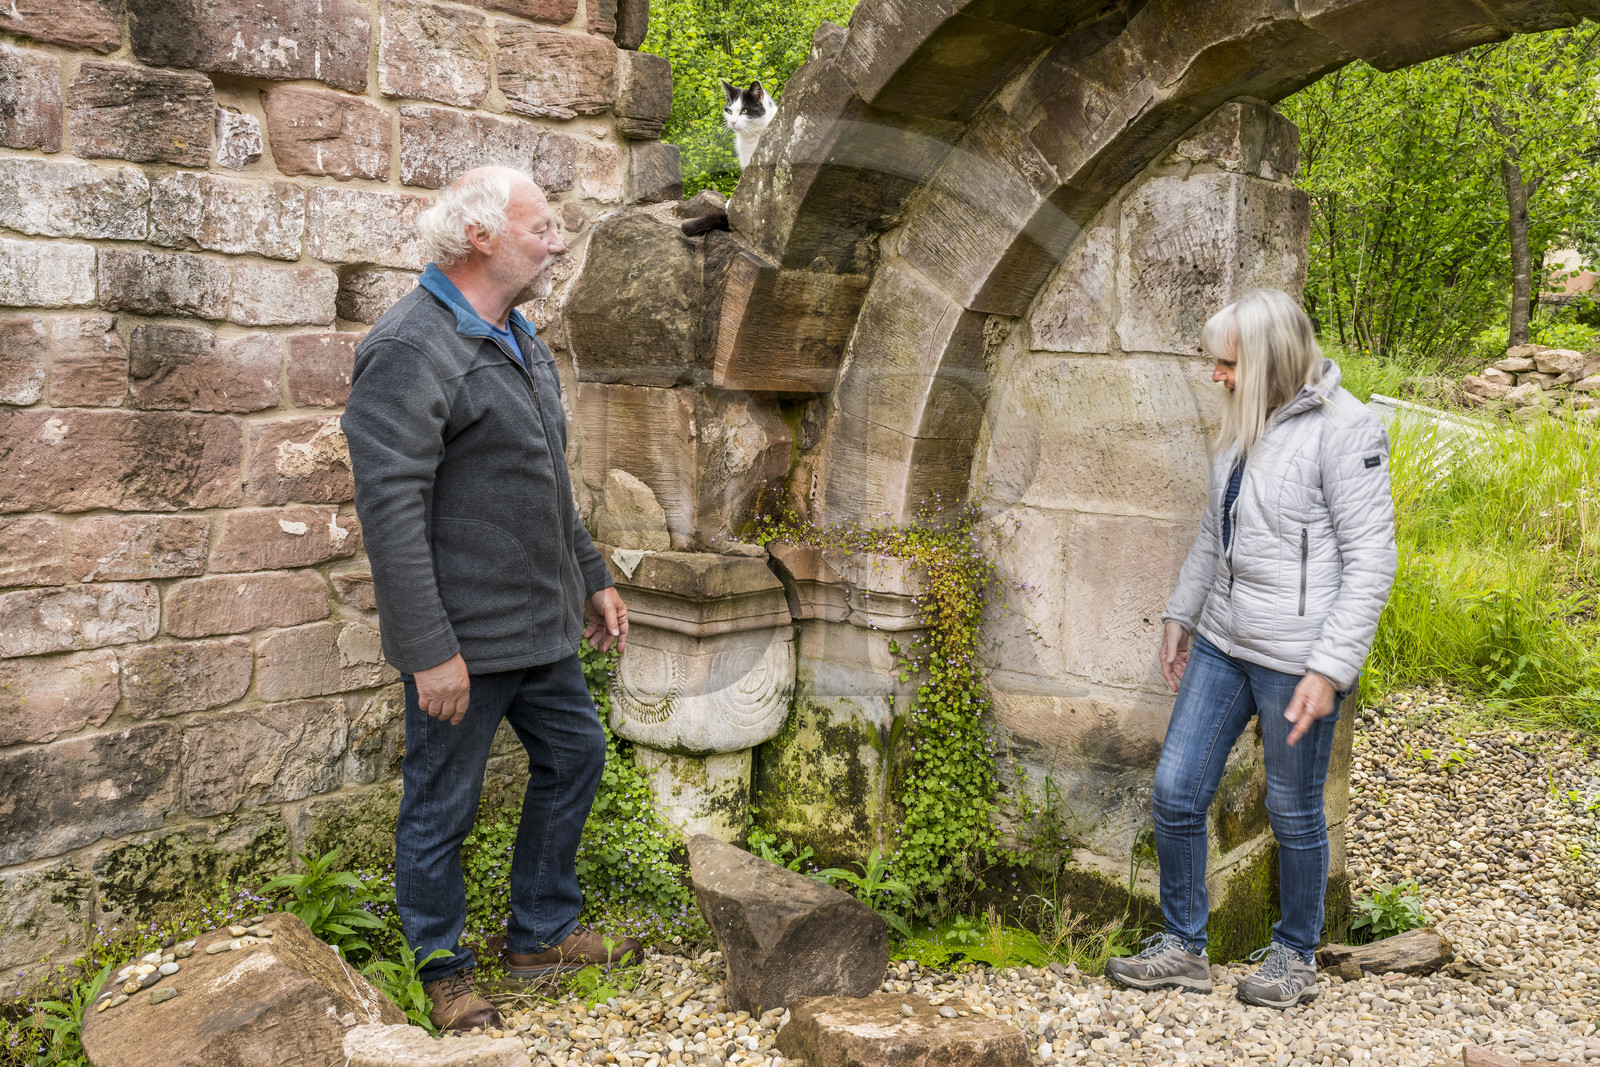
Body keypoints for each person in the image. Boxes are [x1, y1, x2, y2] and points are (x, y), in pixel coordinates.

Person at [342, 166, 636, 1032]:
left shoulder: (516, 333)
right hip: (463, 643)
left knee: (577, 757)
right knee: (442, 807)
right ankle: (441, 966)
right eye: (540, 226)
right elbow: (390, 511)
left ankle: (540, 933)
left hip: (541, 629)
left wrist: (590, 572)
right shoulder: (409, 348)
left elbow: (545, 477)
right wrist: (428, 649)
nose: (556, 240)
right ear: (481, 238)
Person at [1105, 288, 1397, 1009]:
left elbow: (1372, 561)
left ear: (1267, 360)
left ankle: (1295, 955)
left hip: (1299, 658)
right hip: (1225, 641)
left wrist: (1329, 669)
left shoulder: (1347, 430)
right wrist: (1181, 612)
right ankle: (1182, 946)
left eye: (1227, 363)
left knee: (1293, 809)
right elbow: (1215, 532)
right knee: (1176, 789)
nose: (1217, 376)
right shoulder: (1243, 422)